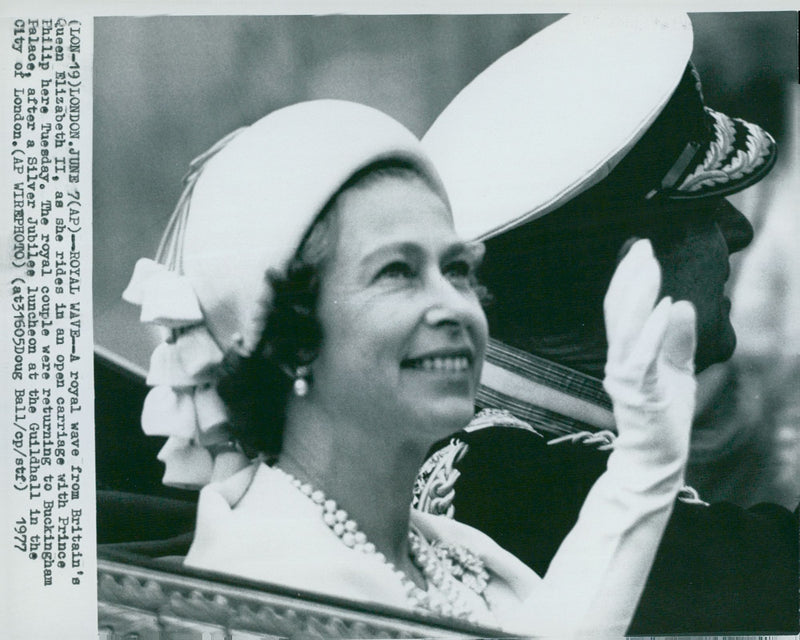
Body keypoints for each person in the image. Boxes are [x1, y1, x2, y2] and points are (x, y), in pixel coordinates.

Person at [123, 98, 697, 636]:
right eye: (397, 272)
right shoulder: (266, 585)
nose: (453, 304)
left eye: (458, 270)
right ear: (291, 336)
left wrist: (647, 459)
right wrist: (641, 475)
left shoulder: (455, 553)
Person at [417, 12, 799, 635]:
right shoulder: (529, 487)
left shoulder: (488, 455)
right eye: (703, 210)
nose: (739, 231)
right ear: (617, 271)